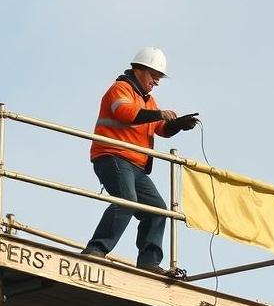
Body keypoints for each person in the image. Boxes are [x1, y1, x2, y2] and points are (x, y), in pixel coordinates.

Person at [82, 47, 199, 272]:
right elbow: (126, 114)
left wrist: (177, 125)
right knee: (127, 200)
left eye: (159, 76)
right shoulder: (120, 89)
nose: (157, 80)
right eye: (154, 74)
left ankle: (149, 262)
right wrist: (160, 115)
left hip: (135, 165)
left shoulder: (149, 101)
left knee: (157, 209)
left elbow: (160, 129)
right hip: (112, 156)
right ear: (139, 69)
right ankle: (96, 249)